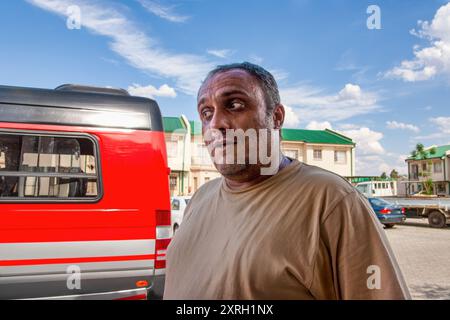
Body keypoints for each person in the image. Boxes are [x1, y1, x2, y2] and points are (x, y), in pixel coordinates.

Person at [163, 62, 410, 300]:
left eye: (235, 105)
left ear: (277, 117)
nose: (215, 124)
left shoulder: (331, 200)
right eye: (206, 113)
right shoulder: (200, 197)